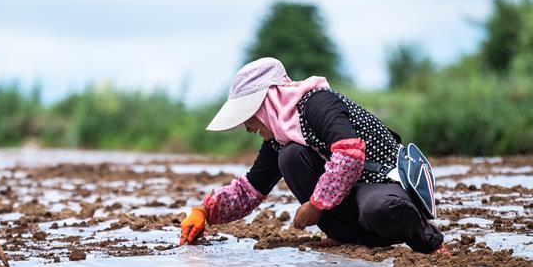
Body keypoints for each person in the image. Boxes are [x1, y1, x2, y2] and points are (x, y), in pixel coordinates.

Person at [178, 57, 444, 254]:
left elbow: (350, 154)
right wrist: (204, 211)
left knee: (381, 209)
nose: (248, 127)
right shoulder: (281, 137)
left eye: (249, 117)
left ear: (266, 103)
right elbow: (249, 189)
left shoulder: (317, 103)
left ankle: (429, 242)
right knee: (291, 157)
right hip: (352, 199)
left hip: (380, 182)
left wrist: (316, 204)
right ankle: (348, 236)